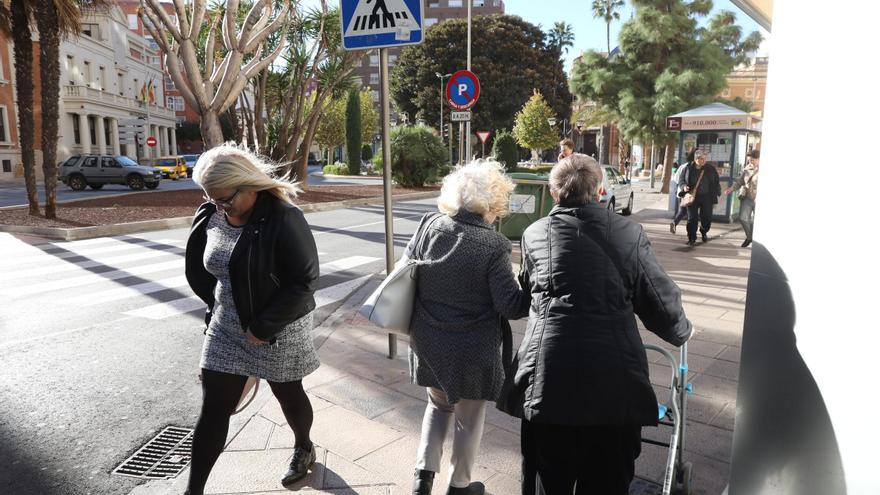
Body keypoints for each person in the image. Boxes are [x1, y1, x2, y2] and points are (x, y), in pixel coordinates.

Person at [513, 153, 692, 494]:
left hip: (548, 380)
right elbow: (658, 298)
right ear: (599, 191)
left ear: (553, 192)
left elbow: (527, 289)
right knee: (608, 479)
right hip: (614, 383)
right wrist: (680, 330)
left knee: (549, 477)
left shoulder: (533, 233)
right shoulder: (628, 233)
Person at [184, 144, 321, 494]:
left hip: (278, 326)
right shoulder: (211, 212)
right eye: (211, 198)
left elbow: (304, 281)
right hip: (227, 325)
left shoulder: (284, 217)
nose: (218, 206)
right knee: (214, 408)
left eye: (225, 199)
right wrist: (214, 306)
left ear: (248, 186)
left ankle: (303, 445)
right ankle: (193, 492)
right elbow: (203, 268)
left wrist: (262, 327)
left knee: (288, 394)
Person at [408, 160, 528, 495]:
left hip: (428, 341)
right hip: (472, 351)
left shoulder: (429, 225)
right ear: (494, 201)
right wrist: (530, 282)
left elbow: (410, 276)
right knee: (468, 419)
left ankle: (422, 480)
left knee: (437, 406)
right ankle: (459, 485)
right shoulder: (494, 245)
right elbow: (511, 306)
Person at [678, 150, 721, 246]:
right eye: (701, 159)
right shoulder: (688, 168)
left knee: (707, 217)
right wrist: (684, 186)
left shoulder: (710, 169)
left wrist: (717, 191)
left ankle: (703, 231)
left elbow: (716, 181)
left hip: (707, 197)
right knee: (692, 218)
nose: (703, 160)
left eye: (704, 159)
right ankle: (691, 238)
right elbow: (681, 180)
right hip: (692, 196)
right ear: (696, 159)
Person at [724, 149, 760, 247]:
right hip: (747, 197)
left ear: (758, 159)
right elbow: (740, 182)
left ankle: (755, 240)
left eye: (752, 160)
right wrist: (731, 189)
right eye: (749, 160)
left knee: (756, 221)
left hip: (758, 199)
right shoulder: (747, 169)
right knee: (743, 218)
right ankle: (749, 237)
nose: (750, 162)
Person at [669, 160, 689, 234]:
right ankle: (691, 230)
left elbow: (676, 179)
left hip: (680, 192)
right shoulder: (691, 167)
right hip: (688, 193)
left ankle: (674, 223)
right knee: (690, 212)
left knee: (683, 211)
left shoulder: (682, 166)